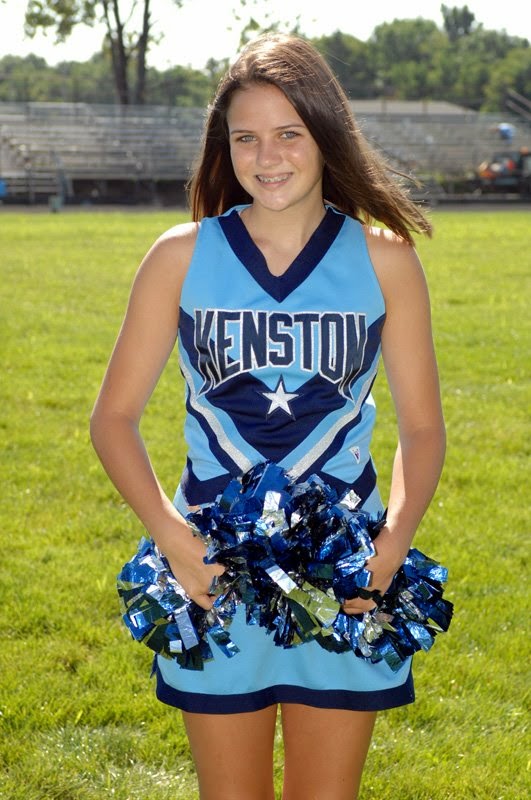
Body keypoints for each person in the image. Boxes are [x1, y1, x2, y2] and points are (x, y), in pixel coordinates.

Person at [90, 32, 446, 800]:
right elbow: (112, 418)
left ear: (326, 134)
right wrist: (173, 540)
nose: (267, 155)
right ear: (223, 147)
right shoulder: (179, 256)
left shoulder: (384, 259)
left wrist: (391, 545)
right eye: (245, 137)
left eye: (289, 133)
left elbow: (422, 427)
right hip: (212, 571)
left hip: (344, 573)